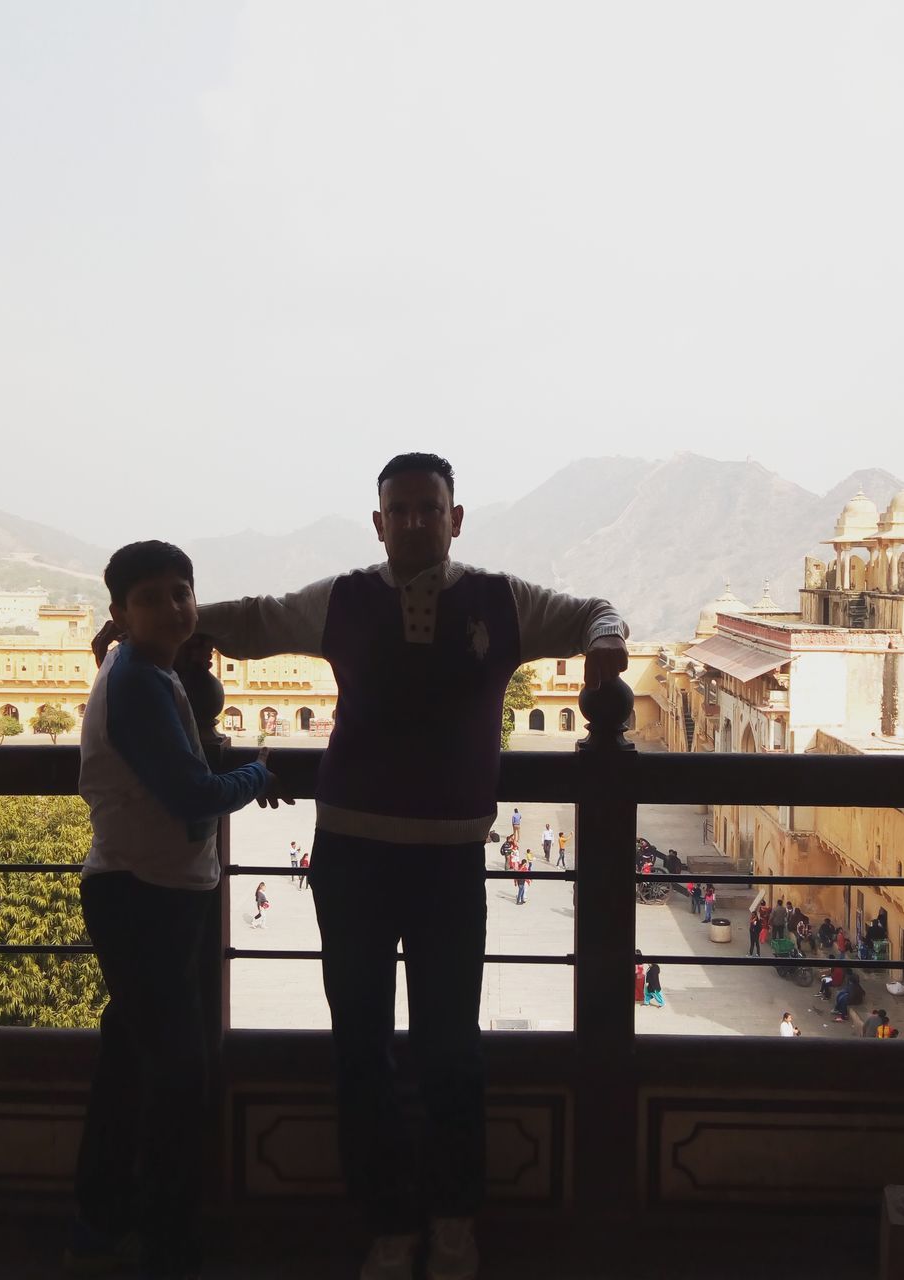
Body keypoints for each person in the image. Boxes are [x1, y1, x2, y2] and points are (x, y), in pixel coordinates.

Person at [162, 452, 628, 1280]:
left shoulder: (502, 601)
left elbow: (595, 608)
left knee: (452, 1049)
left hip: (449, 865)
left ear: (456, 518)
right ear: (378, 523)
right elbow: (259, 619)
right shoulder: (344, 599)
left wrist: (604, 646)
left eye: (429, 507)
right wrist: (159, 629)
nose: (415, 521)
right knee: (362, 1047)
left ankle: (451, 1219)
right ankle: (388, 1224)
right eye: (399, 510)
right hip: (352, 858)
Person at [69, 540, 289, 1280]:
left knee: (131, 1058)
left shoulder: (142, 670)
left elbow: (183, 765)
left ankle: (102, 1216)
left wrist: (226, 767)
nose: (173, 607)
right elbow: (192, 793)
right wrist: (257, 772)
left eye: (183, 592)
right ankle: (165, 1238)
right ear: (120, 613)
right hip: (143, 896)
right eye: (153, 596)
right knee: (180, 1072)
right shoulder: (135, 679)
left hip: (150, 889)